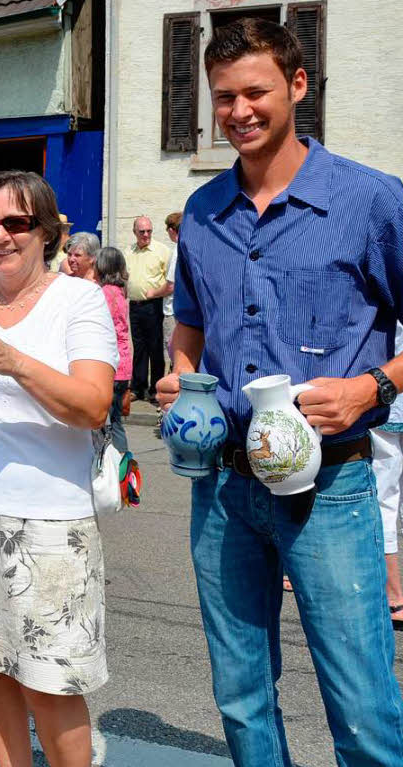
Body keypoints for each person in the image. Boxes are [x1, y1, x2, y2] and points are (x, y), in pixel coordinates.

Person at [158, 18, 403, 765]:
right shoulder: (202, 214)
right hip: (225, 488)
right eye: (224, 97)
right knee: (241, 696)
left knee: (360, 705)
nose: (239, 111)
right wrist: (179, 380)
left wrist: (370, 387)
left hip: (331, 483)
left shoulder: (370, 201)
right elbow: (190, 330)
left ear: (297, 86)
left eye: (255, 92)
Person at [0, 170, 116, 767]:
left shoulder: (79, 298)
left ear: (46, 232)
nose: (0, 236)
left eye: (16, 223)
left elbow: (92, 406)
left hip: (51, 516)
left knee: (52, 677)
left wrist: (16, 361)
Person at [371, 321, 403, 632]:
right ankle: (393, 593)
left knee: (383, 496)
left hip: (384, 396)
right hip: (385, 398)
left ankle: (393, 594)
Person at [126, 215, 171, 404]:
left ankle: (155, 388)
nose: (146, 235)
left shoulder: (163, 251)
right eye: (142, 231)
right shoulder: (128, 251)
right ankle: (138, 387)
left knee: (155, 348)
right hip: (134, 306)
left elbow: (170, 281)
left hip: (153, 306)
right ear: (134, 232)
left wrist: (154, 294)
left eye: (149, 231)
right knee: (139, 348)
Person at [94, 246, 132, 455]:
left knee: (106, 422)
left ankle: (119, 467)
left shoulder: (104, 293)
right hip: (123, 365)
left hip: (111, 365)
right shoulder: (119, 291)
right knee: (116, 420)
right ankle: (124, 466)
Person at [162, 211, 181, 363]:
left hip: (173, 310)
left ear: (171, 230)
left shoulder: (177, 251)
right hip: (185, 309)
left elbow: (171, 286)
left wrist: (152, 293)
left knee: (173, 351)